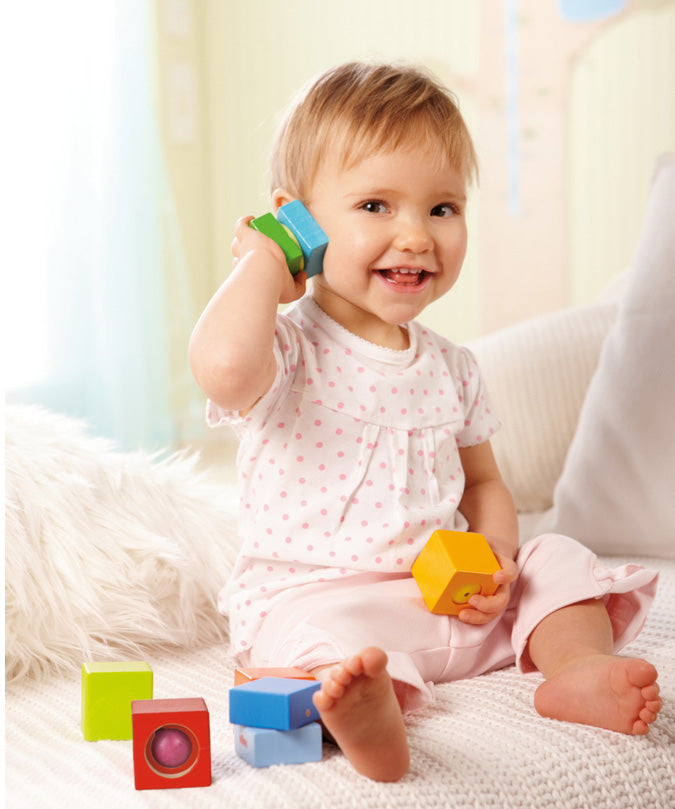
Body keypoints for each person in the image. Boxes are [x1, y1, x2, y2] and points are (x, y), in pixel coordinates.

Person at [189, 62, 662, 782]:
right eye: (376, 206)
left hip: (446, 600)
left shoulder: (453, 365)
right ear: (298, 221)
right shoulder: (285, 347)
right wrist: (261, 261)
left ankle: (577, 668)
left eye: (441, 209)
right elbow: (221, 368)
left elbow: (482, 482)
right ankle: (366, 709)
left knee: (558, 556)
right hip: (325, 598)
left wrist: (500, 556)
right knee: (306, 646)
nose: (415, 236)